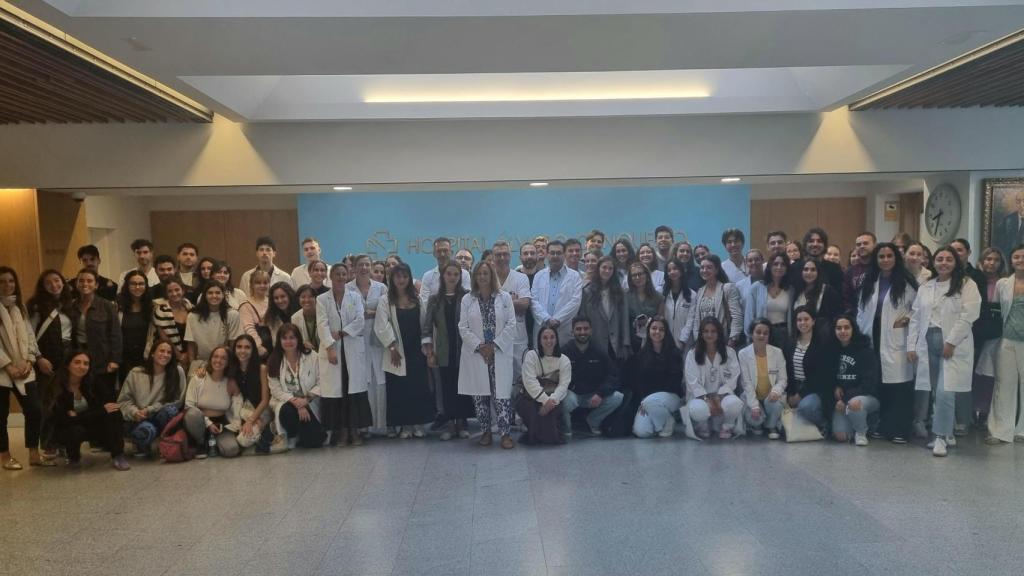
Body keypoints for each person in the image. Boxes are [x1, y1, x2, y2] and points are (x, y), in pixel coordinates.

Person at [907, 247, 981, 457]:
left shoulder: (967, 284)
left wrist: (951, 342)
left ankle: (939, 437)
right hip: (927, 341)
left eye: (949, 259)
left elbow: (969, 315)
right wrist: (911, 345)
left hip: (952, 343)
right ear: (933, 262)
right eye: (940, 259)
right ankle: (947, 432)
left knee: (945, 391)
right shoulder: (926, 286)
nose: (944, 263)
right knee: (934, 391)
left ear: (956, 262)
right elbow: (915, 318)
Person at [856, 243, 917, 444]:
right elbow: (861, 310)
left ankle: (900, 429)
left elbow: (918, 308)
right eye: (881, 256)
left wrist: (907, 319)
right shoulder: (869, 281)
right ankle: (883, 426)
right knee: (879, 383)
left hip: (895, 336)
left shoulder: (906, 282)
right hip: (872, 335)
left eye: (889, 256)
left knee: (899, 386)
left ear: (896, 258)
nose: (885, 260)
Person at [459, 261, 518, 449]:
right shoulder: (467, 299)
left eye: (486, 273)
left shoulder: (504, 297)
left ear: (491, 275)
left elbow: (511, 324)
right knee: (480, 395)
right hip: (477, 354)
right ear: (474, 277)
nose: (482, 277)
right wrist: (480, 346)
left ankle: (505, 434)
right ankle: (486, 431)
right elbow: (463, 327)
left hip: (499, 353)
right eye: (479, 274)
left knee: (501, 396)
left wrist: (494, 346)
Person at [375, 262, 435, 438]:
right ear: (392, 278)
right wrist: (392, 346)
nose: (401, 280)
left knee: (417, 387)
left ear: (409, 278)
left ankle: (417, 424)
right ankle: (405, 426)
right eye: (398, 276)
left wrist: (428, 346)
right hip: (397, 351)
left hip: (416, 349)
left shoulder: (417, 299)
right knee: (400, 389)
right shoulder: (385, 300)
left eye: (405, 276)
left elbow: (425, 324)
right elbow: (381, 325)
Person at [43, 351, 129, 470]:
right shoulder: (55, 385)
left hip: (89, 422)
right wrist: (97, 412)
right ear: (68, 365)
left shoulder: (93, 381)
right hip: (65, 429)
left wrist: (78, 416)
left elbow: (109, 404)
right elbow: (61, 420)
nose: (82, 366)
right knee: (74, 430)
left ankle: (118, 455)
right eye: (77, 362)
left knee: (114, 412)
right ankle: (73, 457)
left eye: (86, 363)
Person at [316, 263, 371, 446]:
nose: (340, 277)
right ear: (330, 277)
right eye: (337, 274)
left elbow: (360, 320)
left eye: (343, 274)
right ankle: (342, 432)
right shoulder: (322, 299)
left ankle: (354, 431)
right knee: (337, 393)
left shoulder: (355, 296)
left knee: (353, 392)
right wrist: (330, 347)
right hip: (333, 350)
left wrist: (341, 333)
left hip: (352, 349)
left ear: (347, 276)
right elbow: (322, 324)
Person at [0, 266, 47, 470]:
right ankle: (4, 455)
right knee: (1, 415)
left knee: (35, 410)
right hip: (2, 371)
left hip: (24, 368)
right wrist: (7, 366)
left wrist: (29, 360)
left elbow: (29, 336)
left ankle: (34, 453)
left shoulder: (20, 306)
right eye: (2, 281)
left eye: (11, 281)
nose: (7, 285)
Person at [422, 262, 473, 441]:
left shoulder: (467, 297)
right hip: (443, 351)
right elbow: (427, 328)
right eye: (449, 274)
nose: (452, 277)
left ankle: (462, 423)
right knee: (446, 388)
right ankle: (450, 424)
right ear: (443, 276)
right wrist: (429, 352)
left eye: (456, 274)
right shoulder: (435, 299)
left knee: (463, 387)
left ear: (460, 276)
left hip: (463, 350)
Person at [118, 340, 186, 457]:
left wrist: (150, 409)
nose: (165, 355)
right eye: (161, 351)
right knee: (144, 432)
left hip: (160, 415)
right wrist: (134, 412)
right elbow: (124, 401)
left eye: (169, 352)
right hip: (140, 418)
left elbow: (178, 401)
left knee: (171, 410)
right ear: (152, 353)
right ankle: (143, 441)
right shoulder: (136, 373)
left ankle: (164, 442)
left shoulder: (177, 371)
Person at [560, 317, 625, 436]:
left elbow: (613, 375)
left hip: (594, 395)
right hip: (573, 395)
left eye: (586, 329)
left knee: (618, 397)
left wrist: (600, 393)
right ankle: (566, 427)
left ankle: (593, 421)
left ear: (591, 330)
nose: (582, 332)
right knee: (564, 400)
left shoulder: (599, 351)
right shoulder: (565, 351)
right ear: (572, 332)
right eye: (578, 329)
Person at [347, 255, 388, 436]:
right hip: (356, 340)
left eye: (367, 264)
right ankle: (365, 426)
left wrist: (365, 313)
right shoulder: (348, 288)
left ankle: (383, 425)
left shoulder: (381, 288)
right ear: (354, 268)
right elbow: (349, 315)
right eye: (360, 265)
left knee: (381, 381)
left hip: (378, 340)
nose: (364, 268)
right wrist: (370, 313)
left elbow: (386, 312)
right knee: (363, 381)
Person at [685, 317, 743, 439]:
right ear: (701, 334)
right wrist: (707, 399)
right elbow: (692, 382)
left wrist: (718, 397)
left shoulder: (729, 353)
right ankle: (702, 427)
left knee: (735, 403)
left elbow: (733, 378)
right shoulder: (692, 354)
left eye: (713, 331)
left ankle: (726, 427)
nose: (709, 334)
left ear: (719, 333)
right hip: (701, 398)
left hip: (722, 396)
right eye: (706, 331)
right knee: (698, 409)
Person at [69, 269, 122, 403]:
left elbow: (115, 334)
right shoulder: (71, 306)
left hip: (102, 359)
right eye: (81, 281)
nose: (85, 284)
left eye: (89, 281)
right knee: (85, 397)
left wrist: (114, 360)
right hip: (79, 358)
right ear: (76, 284)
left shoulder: (107, 306)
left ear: (96, 285)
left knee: (106, 398)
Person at [989, 245, 1024, 444]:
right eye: (1016, 257)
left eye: (1023, 257)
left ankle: (1022, 431)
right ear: (1011, 261)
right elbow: (995, 312)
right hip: (1007, 339)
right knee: (1004, 384)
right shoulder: (1003, 283)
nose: (1020, 260)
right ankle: (1001, 431)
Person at [268, 324, 324, 448]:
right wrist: (297, 403)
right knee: (287, 411)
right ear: (279, 341)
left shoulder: (312, 356)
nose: (288, 341)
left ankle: (302, 434)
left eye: (292, 337)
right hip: (287, 403)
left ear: (298, 339)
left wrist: (306, 400)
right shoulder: (274, 360)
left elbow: (322, 382)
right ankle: (292, 435)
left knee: (314, 441)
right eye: (284, 338)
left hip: (310, 403)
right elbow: (276, 390)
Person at [828, 314, 880, 446]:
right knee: (841, 436)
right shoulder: (831, 350)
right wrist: (835, 387)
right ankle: (860, 423)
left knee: (854, 403)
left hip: (865, 397)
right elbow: (827, 377)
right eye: (839, 328)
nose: (843, 331)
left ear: (853, 329)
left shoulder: (865, 351)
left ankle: (861, 432)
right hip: (842, 401)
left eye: (847, 327)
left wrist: (845, 398)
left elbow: (869, 383)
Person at [517, 325, 572, 445]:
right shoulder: (531, 356)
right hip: (530, 396)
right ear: (539, 340)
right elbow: (529, 381)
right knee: (532, 409)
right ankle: (534, 436)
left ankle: (549, 436)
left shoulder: (564, 360)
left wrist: (551, 402)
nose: (549, 341)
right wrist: (545, 401)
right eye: (545, 337)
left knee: (552, 412)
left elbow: (563, 385)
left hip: (554, 397)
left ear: (556, 339)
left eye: (552, 337)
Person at [227, 335, 280, 454]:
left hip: (262, 410)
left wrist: (251, 420)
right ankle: (260, 432)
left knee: (243, 441)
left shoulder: (262, 368)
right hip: (244, 409)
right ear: (234, 349)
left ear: (253, 350)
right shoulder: (233, 369)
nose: (242, 351)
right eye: (239, 347)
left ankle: (270, 428)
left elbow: (265, 400)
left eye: (247, 347)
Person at [631, 317, 683, 438]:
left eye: (661, 329)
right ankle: (662, 420)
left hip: (671, 396)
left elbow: (675, 381)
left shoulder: (674, 353)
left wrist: (650, 400)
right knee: (641, 432)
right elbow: (639, 382)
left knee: (650, 402)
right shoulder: (642, 355)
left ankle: (668, 421)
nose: (657, 332)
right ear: (648, 331)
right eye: (654, 328)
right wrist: (644, 402)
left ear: (666, 332)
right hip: (647, 400)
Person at [970, 247, 1004, 430]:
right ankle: (972, 411)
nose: (992, 263)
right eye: (988, 259)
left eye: (996, 259)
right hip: (976, 333)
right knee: (975, 374)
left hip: (998, 334)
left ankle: (987, 412)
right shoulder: (974, 281)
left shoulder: (1005, 282)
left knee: (991, 376)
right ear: (982, 261)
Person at [739, 319, 788, 439]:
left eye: (765, 333)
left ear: (769, 335)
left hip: (770, 397)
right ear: (752, 334)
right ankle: (757, 424)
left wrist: (776, 391)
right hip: (752, 396)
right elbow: (746, 383)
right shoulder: (743, 354)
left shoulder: (777, 352)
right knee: (755, 420)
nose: (762, 335)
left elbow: (782, 379)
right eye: (758, 332)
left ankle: (771, 425)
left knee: (776, 405)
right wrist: (754, 405)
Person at [183, 346, 236, 457]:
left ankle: (214, 442)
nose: (218, 360)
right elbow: (189, 405)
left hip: (221, 423)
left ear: (228, 362)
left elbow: (235, 407)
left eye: (223, 358)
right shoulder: (198, 377)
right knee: (192, 413)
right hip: (199, 421)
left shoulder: (230, 382)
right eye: (215, 356)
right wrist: (208, 423)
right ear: (210, 359)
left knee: (232, 450)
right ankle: (201, 443)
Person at [185, 280, 243, 376]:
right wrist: (192, 365)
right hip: (200, 362)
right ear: (204, 295)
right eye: (210, 293)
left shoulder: (232, 315)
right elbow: (191, 343)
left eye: (217, 293)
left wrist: (230, 364)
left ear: (223, 295)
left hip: (223, 361)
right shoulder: (193, 316)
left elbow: (233, 343)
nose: (214, 296)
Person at [530, 240, 583, 345]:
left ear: (564, 255)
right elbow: (533, 301)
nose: (555, 256)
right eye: (552, 253)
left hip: (564, 328)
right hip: (542, 327)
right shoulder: (539, 275)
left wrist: (558, 320)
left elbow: (575, 302)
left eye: (558, 253)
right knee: (541, 354)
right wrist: (546, 319)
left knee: (564, 354)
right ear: (547, 255)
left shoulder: (575, 276)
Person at [491, 241, 531, 380]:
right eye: (498, 255)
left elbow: (524, 304)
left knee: (521, 378)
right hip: (494, 337)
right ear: (493, 257)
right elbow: (482, 306)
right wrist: (511, 301)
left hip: (517, 337)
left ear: (510, 256)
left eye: (505, 254)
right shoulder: (487, 278)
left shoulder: (521, 278)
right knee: (497, 378)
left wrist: (496, 302)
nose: (502, 258)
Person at [580, 256, 630, 362]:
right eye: (604, 267)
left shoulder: (620, 292)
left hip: (615, 343)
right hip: (595, 341)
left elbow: (625, 320)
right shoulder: (587, 291)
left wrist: (625, 343)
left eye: (610, 268)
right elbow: (583, 317)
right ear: (598, 268)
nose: (607, 271)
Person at [788, 306, 830, 432]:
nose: (802, 323)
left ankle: (824, 423)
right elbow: (787, 371)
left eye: (806, 319)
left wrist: (800, 395)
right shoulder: (790, 343)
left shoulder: (822, 344)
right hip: (794, 387)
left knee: (805, 408)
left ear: (813, 321)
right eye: (799, 320)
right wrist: (790, 394)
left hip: (814, 389)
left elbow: (820, 376)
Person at [691, 255, 743, 347]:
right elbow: (696, 319)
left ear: (717, 270)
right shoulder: (700, 291)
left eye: (709, 267)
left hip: (724, 341)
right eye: (702, 267)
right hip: (704, 342)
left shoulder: (727, 288)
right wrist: (697, 340)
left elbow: (736, 316)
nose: (704, 270)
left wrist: (732, 339)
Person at [746, 253, 792, 346]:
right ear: (770, 266)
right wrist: (750, 337)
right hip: (762, 333)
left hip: (783, 334)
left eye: (783, 264)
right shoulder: (757, 287)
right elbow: (749, 316)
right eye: (775, 264)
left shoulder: (790, 290)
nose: (779, 267)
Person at [116, 270, 153, 380]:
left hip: (145, 356)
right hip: (124, 356)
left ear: (146, 286)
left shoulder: (152, 306)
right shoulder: (117, 306)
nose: (137, 287)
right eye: (133, 284)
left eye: (141, 284)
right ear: (127, 286)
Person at [150, 277, 192, 369]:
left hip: (190, 354)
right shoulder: (161, 310)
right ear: (166, 293)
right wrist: (180, 356)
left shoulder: (189, 307)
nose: (174, 293)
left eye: (177, 290)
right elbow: (165, 338)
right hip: (169, 356)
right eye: (170, 291)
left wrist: (189, 354)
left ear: (183, 290)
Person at [794, 259, 842, 332]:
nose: (809, 272)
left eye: (813, 270)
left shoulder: (828, 291)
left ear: (818, 272)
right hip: (799, 335)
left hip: (821, 335)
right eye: (806, 269)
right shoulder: (797, 291)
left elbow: (836, 316)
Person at [626, 262, 665, 352]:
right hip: (631, 343)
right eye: (634, 275)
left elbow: (661, 322)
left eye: (640, 274)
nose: (637, 277)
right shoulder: (625, 297)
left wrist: (649, 321)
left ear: (647, 276)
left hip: (651, 343)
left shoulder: (658, 297)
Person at [419, 237, 471, 303]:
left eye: (445, 251)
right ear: (434, 254)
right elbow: (425, 302)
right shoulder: (427, 276)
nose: (442, 254)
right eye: (439, 251)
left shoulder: (464, 274)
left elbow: (467, 299)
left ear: (451, 252)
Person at [662, 259, 695, 351]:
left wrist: (683, 340)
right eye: (669, 270)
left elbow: (691, 320)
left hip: (685, 342)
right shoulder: (662, 293)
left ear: (681, 271)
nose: (672, 272)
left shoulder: (692, 295)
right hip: (664, 341)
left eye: (675, 268)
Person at [239, 269, 272, 357]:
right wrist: (258, 346)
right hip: (256, 348)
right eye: (258, 283)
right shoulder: (245, 305)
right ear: (252, 285)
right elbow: (249, 328)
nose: (262, 285)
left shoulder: (272, 301)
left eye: (265, 283)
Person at [843, 232, 877, 312]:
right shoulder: (849, 272)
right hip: (856, 314)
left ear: (875, 245)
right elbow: (846, 297)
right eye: (858, 244)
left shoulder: (880, 268)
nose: (862, 246)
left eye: (865, 243)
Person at [516, 242, 541, 349]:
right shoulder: (514, 277)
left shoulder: (544, 277)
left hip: (539, 328)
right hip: (519, 329)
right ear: (520, 257)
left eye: (532, 253)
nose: (529, 256)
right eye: (525, 253)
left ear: (537, 256)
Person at [266, 282, 299, 349]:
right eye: (276, 298)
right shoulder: (272, 317)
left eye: (283, 296)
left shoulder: (299, 312)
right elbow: (275, 342)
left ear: (289, 295)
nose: (280, 301)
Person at [995, 191, 1024, 258]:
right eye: (1018, 201)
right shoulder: (1008, 220)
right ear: (1016, 203)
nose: (1022, 204)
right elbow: (1001, 244)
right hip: (1011, 259)